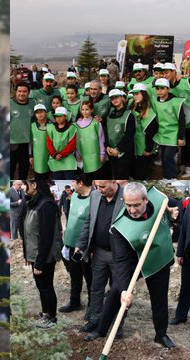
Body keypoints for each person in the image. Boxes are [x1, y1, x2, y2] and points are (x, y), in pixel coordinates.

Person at [85, 183, 176, 349]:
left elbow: (173, 204)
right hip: (133, 261)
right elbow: (120, 261)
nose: (132, 210)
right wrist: (125, 290)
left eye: (136, 205)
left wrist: (172, 211)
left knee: (159, 297)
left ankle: (161, 335)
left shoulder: (158, 200)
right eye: (128, 205)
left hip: (158, 257)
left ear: (145, 200)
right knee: (115, 292)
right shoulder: (119, 228)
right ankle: (101, 329)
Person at [75, 180, 124, 333]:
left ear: (113, 181)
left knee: (119, 291)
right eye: (97, 186)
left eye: (103, 186)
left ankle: (117, 325)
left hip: (120, 256)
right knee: (96, 288)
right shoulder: (95, 196)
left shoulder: (126, 197)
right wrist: (81, 244)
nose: (99, 190)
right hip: (99, 252)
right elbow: (89, 221)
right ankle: (94, 319)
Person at [19, 180, 62, 329]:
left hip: (44, 256)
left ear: (35, 184)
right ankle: (46, 314)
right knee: (41, 286)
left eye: (25, 185)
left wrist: (39, 262)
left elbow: (46, 237)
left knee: (46, 286)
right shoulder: (33, 202)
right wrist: (27, 255)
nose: (23, 188)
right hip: (35, 254)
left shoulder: (46, 205)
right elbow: (27, 231)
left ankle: (52, 318)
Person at [59, 176, 92, 315]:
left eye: (73, 181)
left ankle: (92, 305)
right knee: (75, 275)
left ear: (81, 183)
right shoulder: (74, 197)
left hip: (86, 246)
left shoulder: (94, 199)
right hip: (71, 244)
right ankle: (74, 302)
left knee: (90, 277)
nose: (71, 184)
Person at [152, 78, 186, 179]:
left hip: (173, 134)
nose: (159, 91)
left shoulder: (176, 102)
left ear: (168, 89)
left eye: (162, 88)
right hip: (162, 133)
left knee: (168, 157)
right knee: (163, 157)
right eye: (157, 88)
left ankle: (172, 178)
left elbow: (181, 120)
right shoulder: (155, 101)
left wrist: (181, 136)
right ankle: (165, 177)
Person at [130, 83, 158, 179]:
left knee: (141, 172)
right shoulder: (133, 107)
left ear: (144, 94)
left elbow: (151, 132)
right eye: (134, 94)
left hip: (143, 148)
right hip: (133, 146)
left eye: (137, 94)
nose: (135, 96)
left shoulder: (150, 112)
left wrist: (148, 149)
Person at [106, 89, 136, 179]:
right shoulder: (110, 114)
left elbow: (129, 134)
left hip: (124, 152)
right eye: (112, 98)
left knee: (122, 177)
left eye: (116, 97)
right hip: (112, 151)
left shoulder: (129, 114)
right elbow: (108, 131)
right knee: (114, 175)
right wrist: (107, 146)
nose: (114, 100)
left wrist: (118, 148)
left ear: (122, 98)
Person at [169, 198, 190, 326]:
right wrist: (180, 252)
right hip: (188, 256)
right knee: (186, 287)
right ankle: (181, 315)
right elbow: (183, 230)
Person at [10, 82, 36, 180]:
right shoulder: (9, 103)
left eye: (24, 91)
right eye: (19, 91)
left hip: (26, 144)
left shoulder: (33, 103)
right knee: (10, 170)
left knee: (24, 171)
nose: (22, 93)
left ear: (29, 93)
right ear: (15, 92)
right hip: (11, 144)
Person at [74, 101, 106, 179]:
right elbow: (76, 141)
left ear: (91, 110)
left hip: (96, 155)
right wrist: (77, 153)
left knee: (98, 176)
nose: (84, 111)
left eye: (87, 109)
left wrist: (102, 154)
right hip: (84, 156)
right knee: (88, 177)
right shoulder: (77, 124)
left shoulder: (96, 123)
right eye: (83, 109)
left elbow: (101, 139)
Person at [46, 107, 77, 180]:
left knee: (69, 179)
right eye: (56, 116)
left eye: (60, 116)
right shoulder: (50, 128)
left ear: (65, 116)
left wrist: (61, 154)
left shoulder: (72, 128)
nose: (58, 118)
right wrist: (54, 154)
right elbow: (49, 143)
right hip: (55, 158)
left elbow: (72, 145)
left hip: (68, 159)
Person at [29, 104, 51, 180]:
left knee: (47, 174)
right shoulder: (32, 126)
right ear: (35, 114)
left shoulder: (51, 125)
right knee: (38, 173)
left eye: (41, 112)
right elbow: (30, 142)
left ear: (46, 113)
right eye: (37, 112)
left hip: (49, 153)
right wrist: (31, 155)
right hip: (37, 154)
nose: (40, 114)